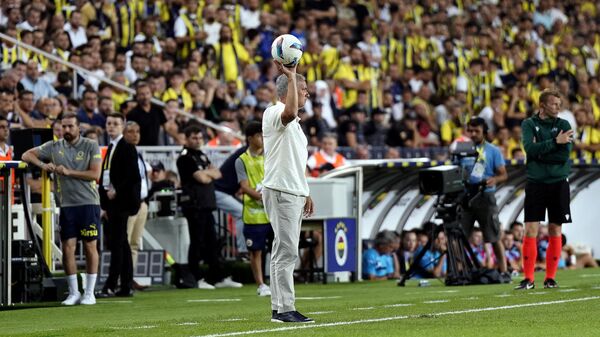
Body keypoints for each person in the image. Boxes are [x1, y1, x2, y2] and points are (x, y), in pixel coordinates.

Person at [22, 113, 102, 305]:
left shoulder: (90, 145)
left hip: (88, 203)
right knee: (67, 247)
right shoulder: (54, 146)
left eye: (70, 126)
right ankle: (73, 292)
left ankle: (90, 292)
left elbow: (95, 174)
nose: (66, 130)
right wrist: (44, 165)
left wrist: (68, 172)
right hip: (66, 205)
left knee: (90, 246)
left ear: (78, 128)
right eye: (63, 127)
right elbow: (26, 155)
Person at [262, 62, 314, 323]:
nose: (306, 93)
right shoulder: (275, 111)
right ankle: (285, 309)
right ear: (287, 90)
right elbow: (290, 110)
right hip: (281, 190)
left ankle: (278, 306)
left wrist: (305, 190)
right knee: (287, 252)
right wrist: (292, 76)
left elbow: (295, 161)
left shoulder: (294, 121)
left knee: (282, 250)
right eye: (303, 89)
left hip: (291, 189)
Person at [516, 89, 573, 290]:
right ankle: (529, 279)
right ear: (542, 105)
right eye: (554, 104)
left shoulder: (564, 125)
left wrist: (541, 152)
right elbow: (529, 149)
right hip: (536, 183)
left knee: (555, 229)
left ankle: (550, 278)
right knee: (530, 229)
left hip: (558, 182)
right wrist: (554, 143)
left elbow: (563, 157)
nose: (558, 107)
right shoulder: (529, 124)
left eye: (559, 103)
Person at [176, 125, 242, 290]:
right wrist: (208, 174)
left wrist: (207, 174)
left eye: (199, 137)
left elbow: (218, 173)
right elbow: (203, 179)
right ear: (186, 139)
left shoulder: (202, 155)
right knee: (197, 242)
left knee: (212, 242)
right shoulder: (185, 157)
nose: (198, 141)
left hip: (206, 203)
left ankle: (217, 277)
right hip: (194, 204)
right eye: (194, 138)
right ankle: (196, 278)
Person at [459, 117, 511, 283]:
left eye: (477, 131)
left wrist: (494, 179)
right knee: (460, 236)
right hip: (466, 195)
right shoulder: (461, 148)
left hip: (485, 195)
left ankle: (504, 271)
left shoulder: (493, 150)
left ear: (485, 132)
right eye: (470, 131)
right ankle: (459, 271)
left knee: (493, 236)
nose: (473, 134)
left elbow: (503, 173)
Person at [98, 113, 141, 298]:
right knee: (121, 244)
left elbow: (133, 177)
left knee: (118, 245)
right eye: (109, 123)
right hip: (112, 202)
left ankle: (111, 284)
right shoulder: (111, 147)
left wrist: (117, 191)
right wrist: (104, 202)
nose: (111, 126)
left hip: (121, 202)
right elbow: (106, 176)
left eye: (115, 123)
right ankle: (125, 285)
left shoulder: (127, 147)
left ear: (122, 126)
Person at [235, 121, 273, 296]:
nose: (262, 139)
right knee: (255, 251)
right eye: (259, 135)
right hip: (254, 214)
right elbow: (243, 186)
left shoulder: (271, 154)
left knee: (278, 249)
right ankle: (261, 285)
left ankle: (276, 281)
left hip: (273, 212)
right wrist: (261, 196)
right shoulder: (241, 160)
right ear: (250, 138)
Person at [123, 121, 151, 290]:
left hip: (141, 203)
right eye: (131, 131)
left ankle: (129, 277)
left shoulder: (137, 153)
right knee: (124, 243)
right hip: (129, 204)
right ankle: (123, 278)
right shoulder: (124, 153)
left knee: (134, 243)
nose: (135, 135)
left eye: (137, 131)